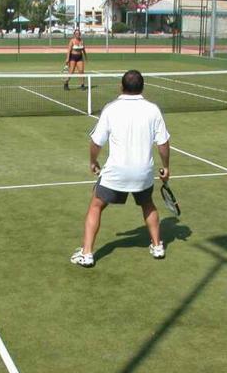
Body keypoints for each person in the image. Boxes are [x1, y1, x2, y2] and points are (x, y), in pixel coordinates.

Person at [70, 70, 171, 268]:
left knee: (96, 206)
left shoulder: (111, 109)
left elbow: (96, 142)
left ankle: (87, 253)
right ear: (142, 87)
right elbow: (164, 144)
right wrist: (166, 167)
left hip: (116, 172)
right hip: (143, 173)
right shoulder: (153, 110)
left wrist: (93, 161)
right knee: (148, 203)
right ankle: (158, 246)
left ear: (121, 86)